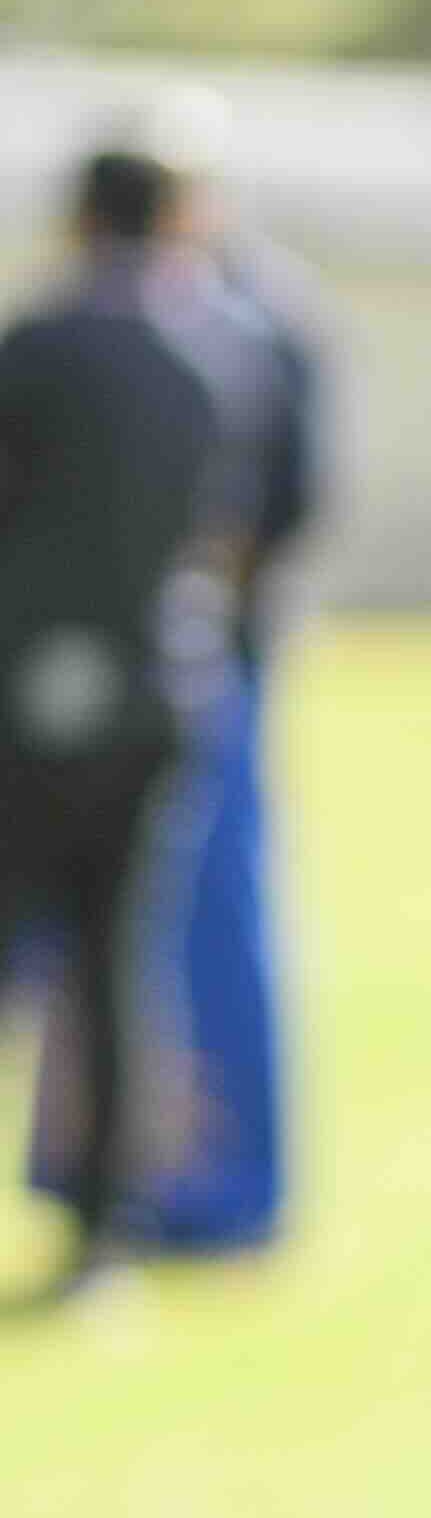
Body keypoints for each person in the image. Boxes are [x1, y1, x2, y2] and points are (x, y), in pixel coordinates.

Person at [20, 114, 332, 1256]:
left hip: (108, 678)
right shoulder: (231, 336)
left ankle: (182, 1190)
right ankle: (105, 1203)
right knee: (119, 951)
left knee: (140, 945)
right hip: (177, 674)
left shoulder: (85, 337)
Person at [0, 146, 219, 1296]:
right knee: (117, 966)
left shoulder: (35, 347)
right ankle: (104, 1236)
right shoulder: (214, 355)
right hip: (152, 689)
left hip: (23, 690)